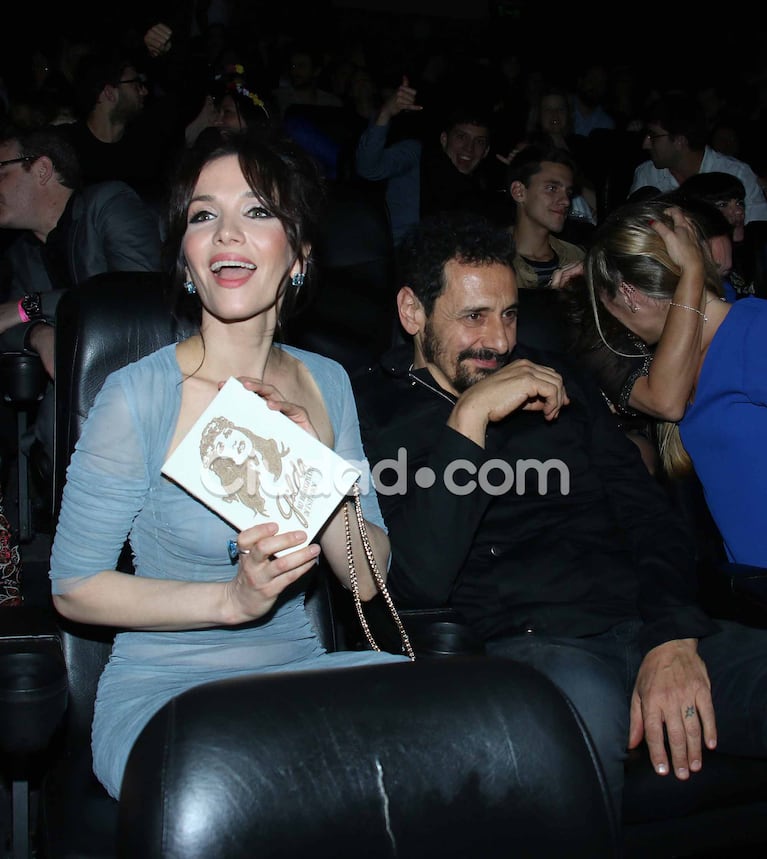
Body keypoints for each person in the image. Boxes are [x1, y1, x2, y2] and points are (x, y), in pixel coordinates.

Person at [351, 208, 767, 821]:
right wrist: (470, 417)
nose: (499, 341)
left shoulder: (557, 377)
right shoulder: (371, 410)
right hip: (532, 648)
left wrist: (673, 636)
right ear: (413, 312)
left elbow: (651, 517)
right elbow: (420, 579)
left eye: (510, 314)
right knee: (575, 730)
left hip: (644, 624)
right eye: (474, 317)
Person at [47, 129, 409, 801]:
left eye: (257, 210)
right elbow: (73, 586)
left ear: (298, 255)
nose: (226, 233)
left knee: (435, 729)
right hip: (169, 693)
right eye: (203, 215)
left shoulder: (327, 383)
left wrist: (314, 472)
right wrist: (231, 600)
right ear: (186, 261)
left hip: (295, 671)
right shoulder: (140, 395)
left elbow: (367, 578)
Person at [586, 197, 767, 567]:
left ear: (628, 293)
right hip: (749, 583)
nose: (618, 327)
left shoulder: (752, 331)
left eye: (610, 309)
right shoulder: (683, 365)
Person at [0, 124, 163, 470]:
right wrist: (40, 334)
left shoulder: (108, 204)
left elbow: (141, 296)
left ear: (42, 169)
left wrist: (33, 307)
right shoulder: (22, 255)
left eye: (2, 172)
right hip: (66, 421)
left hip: (142, 384)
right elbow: (5, 325)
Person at [628, 92, 767, 225]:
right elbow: (631, 227)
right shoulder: (646, 174)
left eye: (653, 136)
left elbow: (757, 231)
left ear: (680, 141)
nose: (645, 144)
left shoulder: (737, 173)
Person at [354, 75, 423, 245]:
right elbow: (368, 167)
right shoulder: (413, 151)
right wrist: (386, 113)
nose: (468, 149)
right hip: (400, 248)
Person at [505, 144, 586, 288]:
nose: (566, 201)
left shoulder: (576, 258)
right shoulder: (490, 260)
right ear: (519, 192)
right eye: (552, 188)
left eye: (568, 192)